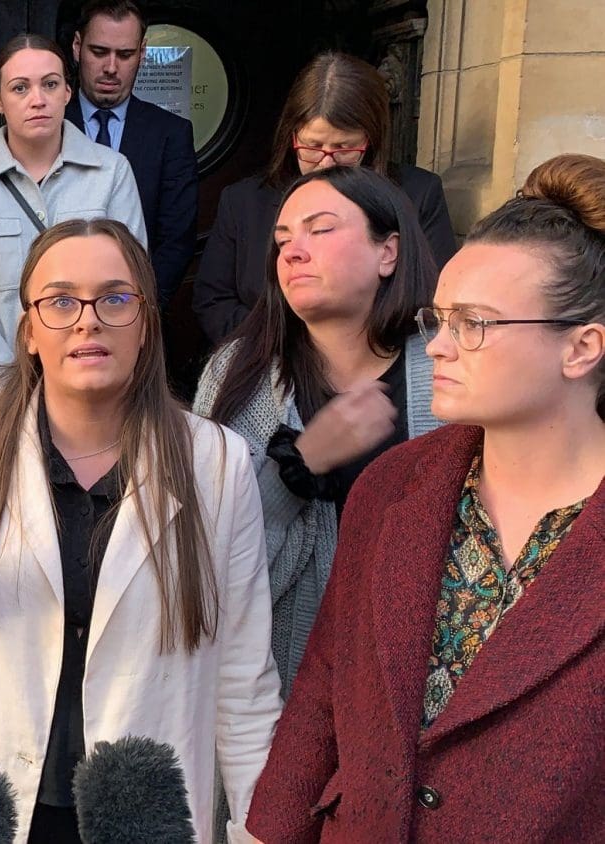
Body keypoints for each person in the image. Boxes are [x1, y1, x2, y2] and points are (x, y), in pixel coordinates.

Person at [0, 218, 280, 843]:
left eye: (115, 298)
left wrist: (258, 831)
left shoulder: (215, 462)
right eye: (61, 301)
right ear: (30, 331)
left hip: (140, 806)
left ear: (145, 324)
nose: (87, 320)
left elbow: (244, 675)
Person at [247, 154, 605, 840]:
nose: (440, 346)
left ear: (582, 347)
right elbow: (328, 677)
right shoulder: (397, 485)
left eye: (474, 322)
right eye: (438, 318)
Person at [193, 164, 441, 697]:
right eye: (282, 239)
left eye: (321, 229)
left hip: (418, 689)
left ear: (388, 252)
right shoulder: (237, 377)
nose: (292, 251)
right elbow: (203, 579)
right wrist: (296, 470)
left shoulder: (451, 372)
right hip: (278, 695)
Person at [0, 34, 146, 400]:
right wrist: (15, 388)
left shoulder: (112, 173)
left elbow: (129, 288)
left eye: (50, 84)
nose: (37, 100)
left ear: (67, 91)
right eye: (20, 88)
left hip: (91, 395)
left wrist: (78, 386)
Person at [194, 51, 458, 344]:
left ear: (371, 140)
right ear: (292, 136)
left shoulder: (418, 194)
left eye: (344, 148)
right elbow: (214, 302)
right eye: (313, 146)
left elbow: (437, 302)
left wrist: (356, 357)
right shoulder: (243, 201)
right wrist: (289, 351)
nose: (326, 163)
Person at [66, 0, 198, 310]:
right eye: (99, 52)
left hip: (140, 313)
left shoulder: (171, 134)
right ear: (77, 47)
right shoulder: (49, 126)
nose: (111, 67)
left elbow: (176, 240)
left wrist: (141, 311)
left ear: (142, 52)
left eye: (125, 55)